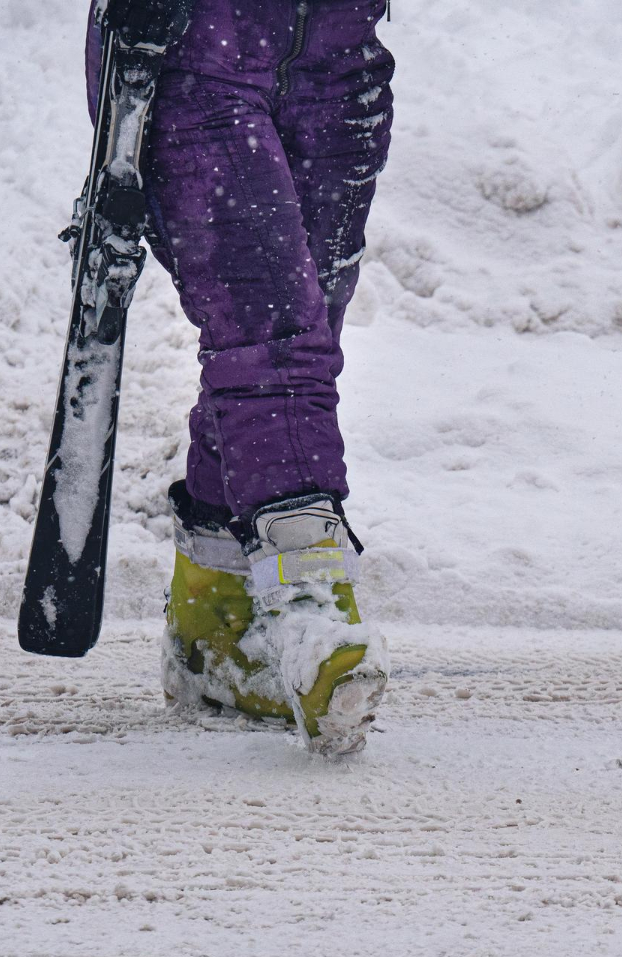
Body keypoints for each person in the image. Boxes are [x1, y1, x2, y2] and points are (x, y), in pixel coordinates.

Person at [86, 0, 394, 756]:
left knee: (303, 331)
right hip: (193, 43)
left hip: (339, 55)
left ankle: (217, 625)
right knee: (272, 330)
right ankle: (311, 595)